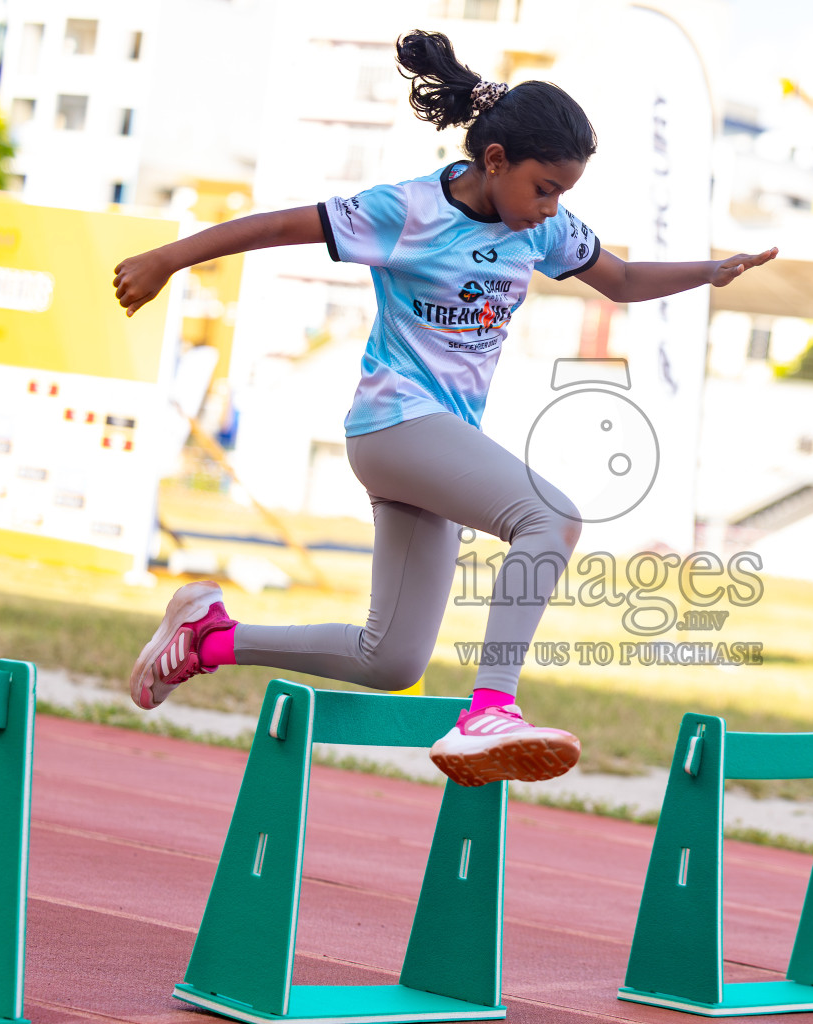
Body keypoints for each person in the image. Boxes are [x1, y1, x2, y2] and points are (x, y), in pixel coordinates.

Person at [112, 29, 777, 788]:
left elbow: (620, 280)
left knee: (391, 658)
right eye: (545, 188)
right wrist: (168, 259)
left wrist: (712, 271)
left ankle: (208, 639)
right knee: (550, 518)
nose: (553, 208)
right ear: (494, 162)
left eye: (564, 193)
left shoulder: (544, 229)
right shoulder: (406, 211)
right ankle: (491, 706)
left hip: (437, 443)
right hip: (394, 423)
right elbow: (275, 226)